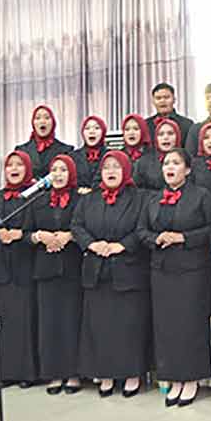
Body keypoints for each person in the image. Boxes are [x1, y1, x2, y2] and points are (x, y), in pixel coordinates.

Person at [138, 148, 211, 408]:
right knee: (166, 326)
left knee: (189, 325)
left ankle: (191, 378)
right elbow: (141, 230)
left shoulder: (201, 196)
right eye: (166, 163)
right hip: (161, 270)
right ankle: (172, 378)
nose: (170, 167)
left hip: (192, 270)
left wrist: (183, 238)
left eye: (176, 163)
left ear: (188, 169)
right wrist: (155, 238)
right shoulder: (154, 198)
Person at [72, 151, 152, 398]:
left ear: (126, 169)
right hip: (97, 271)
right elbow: (77, 225)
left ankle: (131, 374)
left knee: (129, 327)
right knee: (100, 327)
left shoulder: (139, 198)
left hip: (128, 270)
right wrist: (92, 244)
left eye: (117, 166)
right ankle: (104, 374)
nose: (111, 171)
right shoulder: (89, 199)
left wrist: (122, 245)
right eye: (107, 167)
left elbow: (143, 228)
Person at [26, 154, 84, 395]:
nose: (58, 174)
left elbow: (87, 227)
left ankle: (73, 373)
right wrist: (40, 236)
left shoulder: (81, 200)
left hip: (72, 268)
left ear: (72, 173)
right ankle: (53, 373)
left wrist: (69, 236)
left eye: (63, 170)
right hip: (45, 269)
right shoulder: (38, 200)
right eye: (54, 170)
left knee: (71, 322)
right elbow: (26, 234)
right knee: (48, 323)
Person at [0, 150, 39, 388]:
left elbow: (38, 229)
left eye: (19, 164)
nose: (14, 169)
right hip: (0, 267)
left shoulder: (34, 196)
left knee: (24, 321)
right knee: (3, 322)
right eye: (10, 165)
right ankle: (5, 372)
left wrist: (21, 235)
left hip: (24, 265)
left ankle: (26, 373)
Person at [15, 104, 72, 179]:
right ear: (33, 123)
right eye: (38, 118)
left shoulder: (66, 150)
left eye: (47, 118)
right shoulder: (21, 150)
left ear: (53, 123)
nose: (42, 121)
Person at [134, 118, 182, 190]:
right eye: (161, 134)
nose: (166, 137)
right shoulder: (143, 163)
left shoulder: (187, 161)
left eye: (170, 133)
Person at [70, 115, 108, 191]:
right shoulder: (72, 156)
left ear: (103, 132)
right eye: (87, 128)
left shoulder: (111, 156)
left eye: (97, 128)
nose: (91, 131)